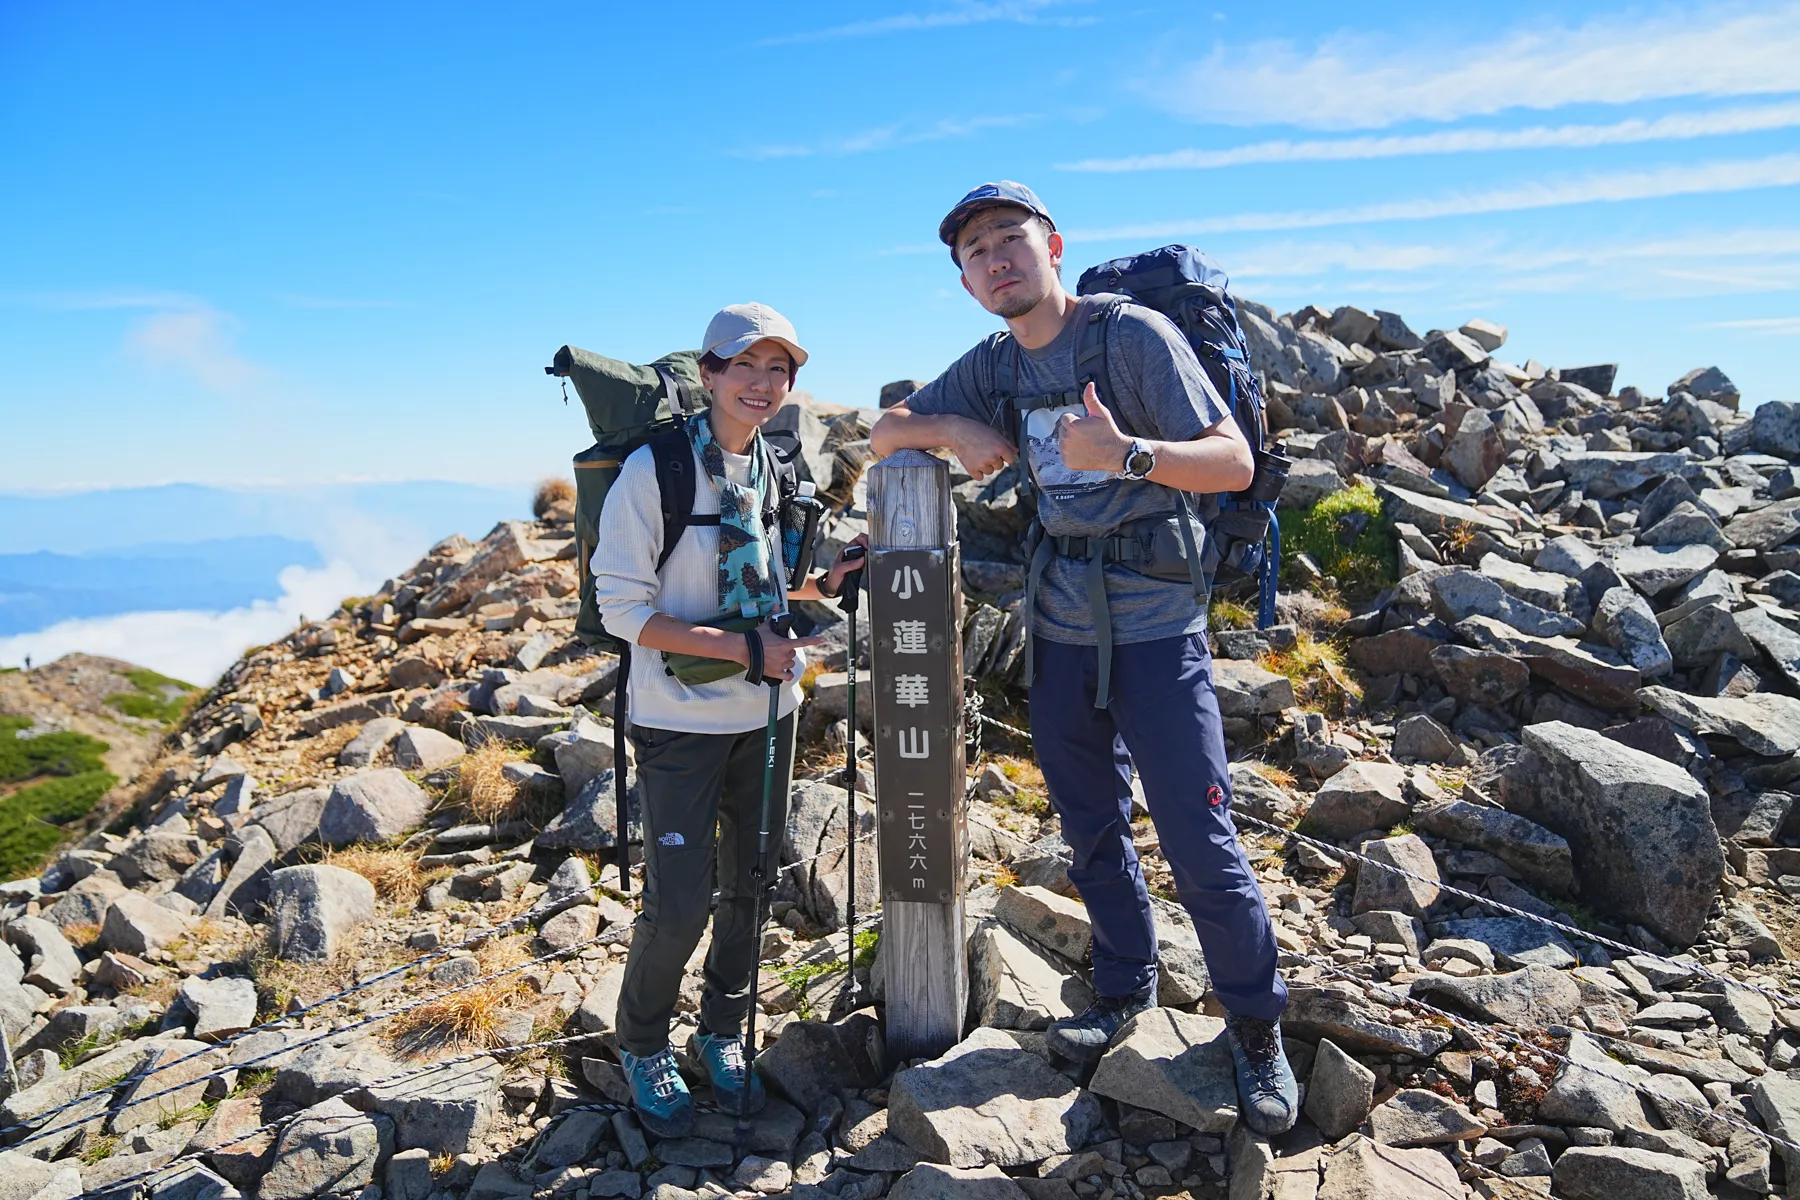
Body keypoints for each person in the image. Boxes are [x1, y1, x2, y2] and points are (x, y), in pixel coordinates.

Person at [870, 183, 1298, 1134]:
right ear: (968, 282)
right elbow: (886, 430)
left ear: (1052, 244)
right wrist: (956, 429)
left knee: (1200, 836)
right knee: (1090, 825)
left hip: (1156, 626)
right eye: (975, 253)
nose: (995, 261)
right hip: (1058, 627)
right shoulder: (994, 365)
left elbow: (1231, 461)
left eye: (1008, 240)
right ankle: (1121, 986)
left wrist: (1129, 455)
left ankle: (1257, 1028)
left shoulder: (1132, 336)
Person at [589, 302, 867, 1138]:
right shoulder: (657, 471)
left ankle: (720, 1033)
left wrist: (825, 582)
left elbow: (771, 589)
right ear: (707, 374)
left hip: (768, 717)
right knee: (678, 903)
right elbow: (622, 610)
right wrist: (747, 651)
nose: (763, 384)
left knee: (752, 884)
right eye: (745, 366)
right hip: (679, 721)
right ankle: (641, 1042)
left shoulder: (773, 470)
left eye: (779, 370)